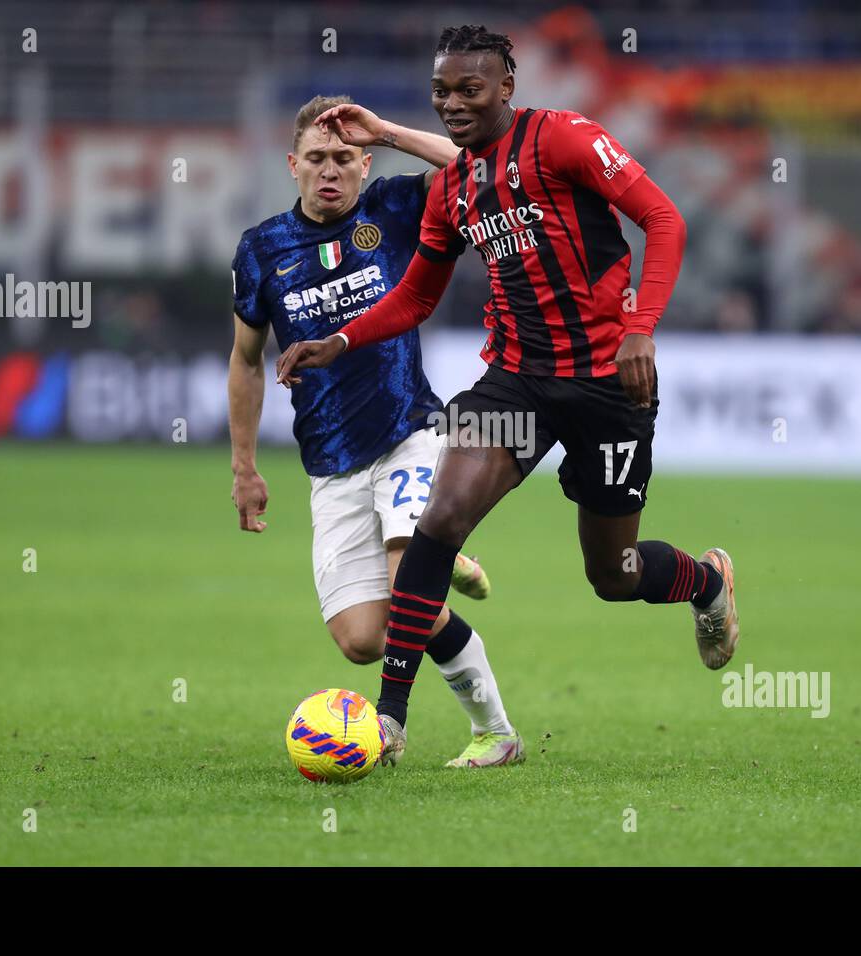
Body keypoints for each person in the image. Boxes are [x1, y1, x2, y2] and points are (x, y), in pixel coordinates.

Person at [276, 27, 741, 758]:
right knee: (440, 520)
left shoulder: (563, 139)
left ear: (506, 88)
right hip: (516, 384)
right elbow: (414, 298)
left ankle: (706, 582)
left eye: (470, 89)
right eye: (442, 92)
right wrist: (341, 341)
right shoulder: (454, 188)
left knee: (613, 576)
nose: (454, 103)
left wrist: (641, 328)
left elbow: (663, 219)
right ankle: (390, 719)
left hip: (606, 383)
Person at [229, 94, 524, 768]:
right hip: (331, 463)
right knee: (363, 639)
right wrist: (244, 466)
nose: (328, 171)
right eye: (315, 160)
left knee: (404, 586)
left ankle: (496, 733)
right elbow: (246, 361)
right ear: (291, 165)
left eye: (342, 159)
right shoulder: (261, 250)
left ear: (363, 164)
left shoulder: (392, 206)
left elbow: (481, 169)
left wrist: (390, 133)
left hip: (409, 433)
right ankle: (440, 559)